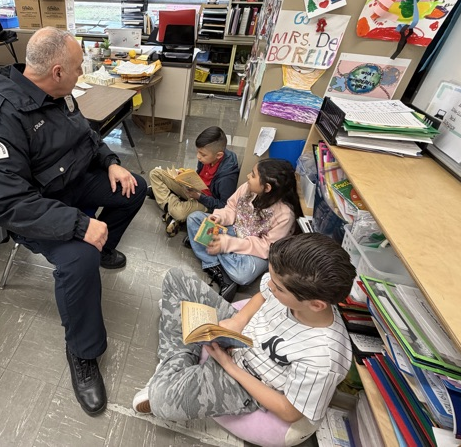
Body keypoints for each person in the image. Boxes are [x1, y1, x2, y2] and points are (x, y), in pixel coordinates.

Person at [0, 27, 146, 416]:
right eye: (79, 68)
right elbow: (8, 202)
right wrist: (80, 226)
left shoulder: (58, 94)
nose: (83, 73)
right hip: (36, 208)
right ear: (59, 71)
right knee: (78, 260)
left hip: (74, 182)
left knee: (135, 189)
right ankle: (82, 352)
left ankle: (102, 245)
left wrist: (111, 163)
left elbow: (87, 136)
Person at [132, 234, 356, 444]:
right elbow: (262, 295)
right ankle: (179, 359)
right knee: (176, 277)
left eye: (278, 288)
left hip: (245, 380)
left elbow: (290, 411)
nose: (269, 285)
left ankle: (176, 359)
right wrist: (238, 322)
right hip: (239, 334)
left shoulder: (323, 357)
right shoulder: (289, 284)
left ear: (316, 305)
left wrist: (229, 366)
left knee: (161, 401)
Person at [186, 158, 302, 301]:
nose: (248, 176)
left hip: (255, 250)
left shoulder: (284, 215)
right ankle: (219, 268)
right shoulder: (247, 188)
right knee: (194, 219)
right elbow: (231, 208)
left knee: (243, 274)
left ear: (267, 188)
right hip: (234, 230)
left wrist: (228, 244)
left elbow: (266, 247)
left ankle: (210, 254)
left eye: (253, 175)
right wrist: (219, 217)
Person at [147, 126, 239, 238]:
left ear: (219, 155)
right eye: (198, 152)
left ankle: (169, 207)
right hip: (194, 188)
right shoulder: (209, 156)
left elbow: (223, 205)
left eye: (203, 155)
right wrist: (184, 176)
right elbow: (199, 175)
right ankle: (172, 206)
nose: (198, 157)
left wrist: (199, 197)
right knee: (155, 173)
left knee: (178, 212)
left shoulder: (227, 177)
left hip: (205, 201)